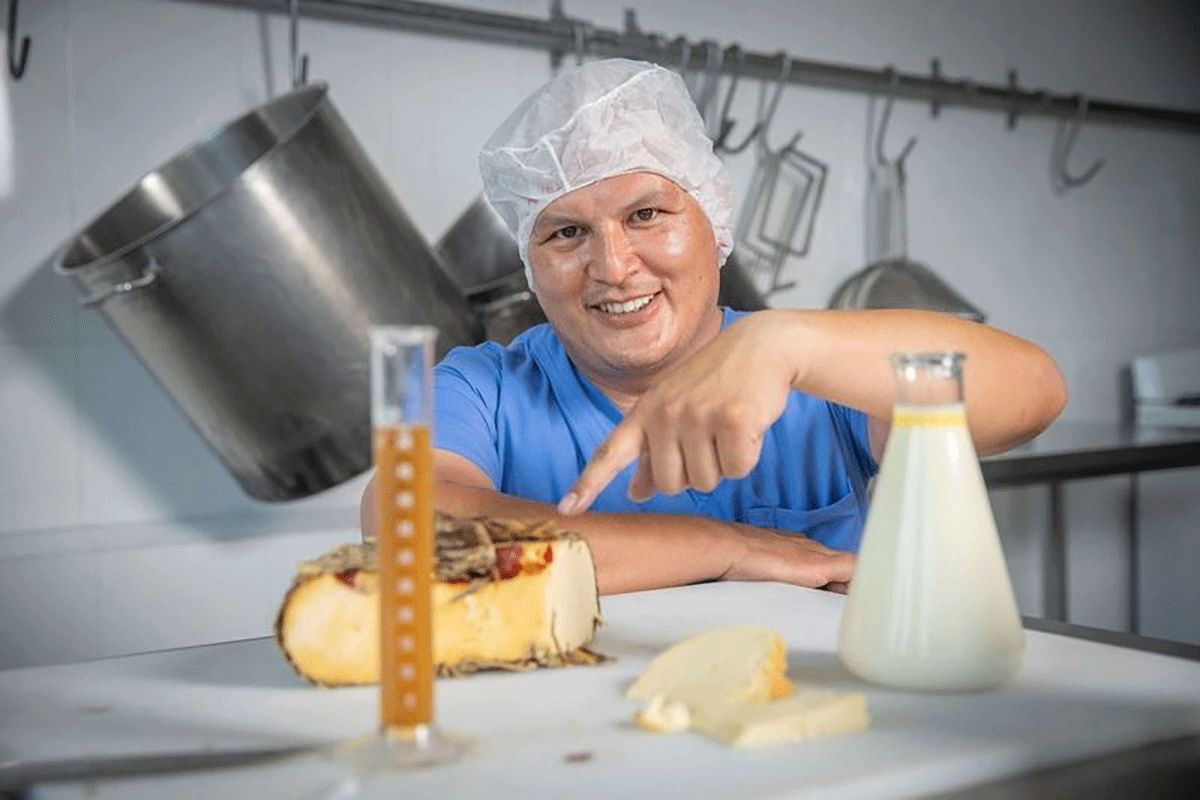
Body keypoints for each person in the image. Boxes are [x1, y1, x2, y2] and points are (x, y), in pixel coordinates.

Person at [360, 59, 1067, 596]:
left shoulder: (816, 379)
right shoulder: (474, 386)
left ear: (713, 226)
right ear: (531, 266)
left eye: (647, 215)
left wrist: (786, 341)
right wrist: (728, 548)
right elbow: (401, 531)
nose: (612, 266)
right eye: (566, 232)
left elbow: (1033, 392)